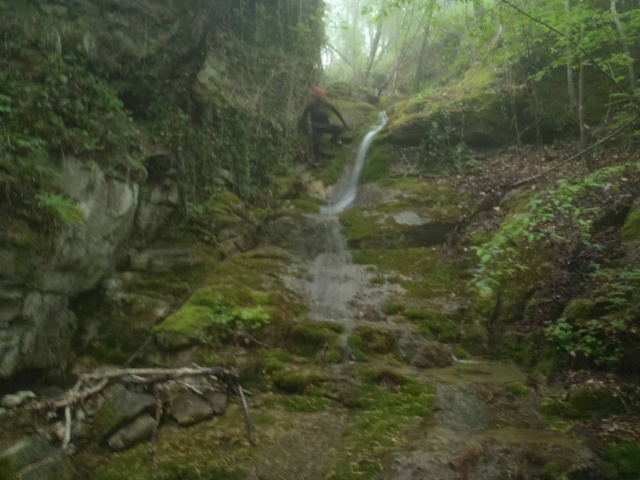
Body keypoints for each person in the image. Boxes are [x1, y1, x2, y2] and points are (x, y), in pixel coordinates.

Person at [300, 86, 350, 166]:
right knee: (316, 142)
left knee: (340, 128)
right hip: (316, 128)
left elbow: (337, 112)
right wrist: (304, 124)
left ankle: (334, 139)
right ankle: (319, 160)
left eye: (318, 96)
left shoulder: (326, 104)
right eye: (315, 97)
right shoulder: (312, 106)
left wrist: (344, 124)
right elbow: (305, 114)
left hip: (325, 126)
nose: (316, 98)